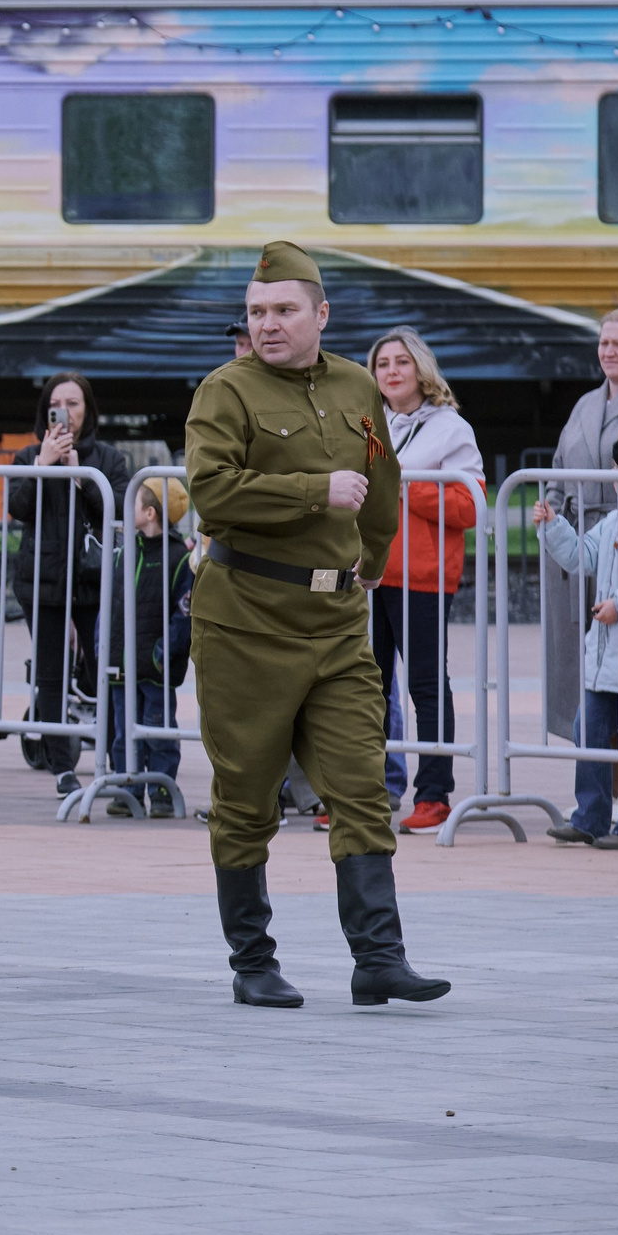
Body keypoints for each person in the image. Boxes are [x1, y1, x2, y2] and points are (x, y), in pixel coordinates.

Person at [185, 240, 446, 1010]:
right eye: (257, 311)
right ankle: (253, 960)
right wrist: (312, 490)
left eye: (284, 310)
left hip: (335, 623)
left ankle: (379, 958)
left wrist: (371, 557)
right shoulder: (224, 391)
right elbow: (214, 494)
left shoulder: (357, 385)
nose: (268, 323)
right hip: (246, 623)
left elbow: (381, 484)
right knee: (247, 798)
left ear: (320, 314)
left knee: (362, 786)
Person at [366, 328, 482, 834]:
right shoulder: (370, 425)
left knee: (425, 687)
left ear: (421, 369)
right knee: (365, 688)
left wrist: (403, 488)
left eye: (400, 362)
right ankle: (363, 793)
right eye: (382, 364)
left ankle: (433, 795)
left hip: (423, 577)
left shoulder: (451, 428)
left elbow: (467, 507)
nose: (391, 371)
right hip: (368, 574)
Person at [7, 372, 133, 786]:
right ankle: (61, 767)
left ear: (88, 409)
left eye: (74, 403)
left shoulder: (109, 460)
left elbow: (117, 512)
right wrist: (44, 466)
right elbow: (19, 507)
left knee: (107, 669)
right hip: (43, 582)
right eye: (56, 404)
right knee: (50, 674)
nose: (66, 412)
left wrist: (81, 478)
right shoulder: (28, 456)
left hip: (97, 583)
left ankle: (116, 762)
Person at [536, 437, 618, 850]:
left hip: (614, 645)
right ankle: (590, 818)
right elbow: (580, 556)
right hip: (604, 655)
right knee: (587, 728)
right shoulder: (611, 524)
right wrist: (554, 525)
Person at [546, 308, 618, 758]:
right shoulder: (584, 405)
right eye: (604, 343)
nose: (609, 352)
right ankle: (594, 793)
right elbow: (556, 470)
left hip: (616, 548)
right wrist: (552, 520)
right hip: (580, 551)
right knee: (586, 677)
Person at [105, 479, 193, 817]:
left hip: (156, 665)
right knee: (121, 730)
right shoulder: (125, 552)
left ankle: (160, 790)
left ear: (150, 513)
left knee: (158, 731)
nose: (126, 512)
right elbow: (112, 606)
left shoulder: (177, 559)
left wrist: (163, 653)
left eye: (133, 504)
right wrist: (105, 647)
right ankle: (127, 789)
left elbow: (182, 614)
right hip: (123, 663)